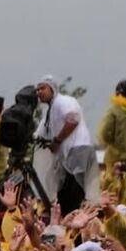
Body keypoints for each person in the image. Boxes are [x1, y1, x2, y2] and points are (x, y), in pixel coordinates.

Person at [36, 75, 95, 213]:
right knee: (64, 203)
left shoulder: (63, 101)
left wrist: (57, 140)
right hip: (66, 161)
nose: (39, 92)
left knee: (73, 202)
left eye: (42, 88)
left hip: (77, 155)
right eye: (37, 90)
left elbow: (73, 119)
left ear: (52, 88)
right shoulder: (49, 111)